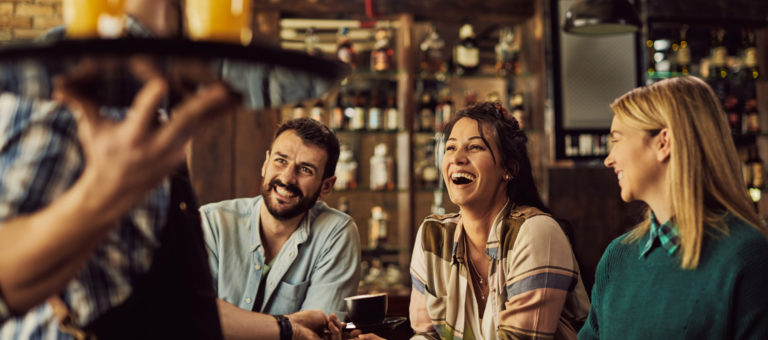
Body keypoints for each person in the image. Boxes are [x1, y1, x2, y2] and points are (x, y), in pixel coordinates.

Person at [0, 1, 343, 339]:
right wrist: (103, 190)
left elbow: (179, 310)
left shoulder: (170, 87)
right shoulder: (68, 75)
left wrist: (288, 328)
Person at [579, 76, 768, 339]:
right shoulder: (617, 258)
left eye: (617, 139)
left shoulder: (747, 256)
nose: (609, 160)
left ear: (663, 143)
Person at [409, 102, 590, 340]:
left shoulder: (537, 232)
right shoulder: (433, 236)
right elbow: (427, 335)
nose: (457, 159)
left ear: (509, 170)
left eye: (474, 147)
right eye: (450, 147)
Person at [200, 117, 361, 318]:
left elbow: (319, 333)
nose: (286, 178)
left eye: (305, 170)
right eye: (280, 161)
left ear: (326, 186)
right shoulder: (212, 224)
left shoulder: (336, 233)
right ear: (265, 164)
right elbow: (196, 319)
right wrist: (290, 328)